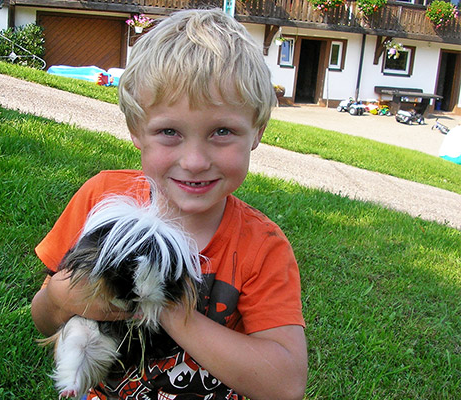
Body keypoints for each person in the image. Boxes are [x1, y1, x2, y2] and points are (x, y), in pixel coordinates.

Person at [31, 8, 307, 400]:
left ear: (257, 131)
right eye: (169, 132)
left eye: (222, 131)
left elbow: (285, 383)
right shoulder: (103, 200)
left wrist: (170, 308)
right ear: (135, 131)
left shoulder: (262, 248)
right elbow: (44, 319)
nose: (194, 161)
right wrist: (59, 298)